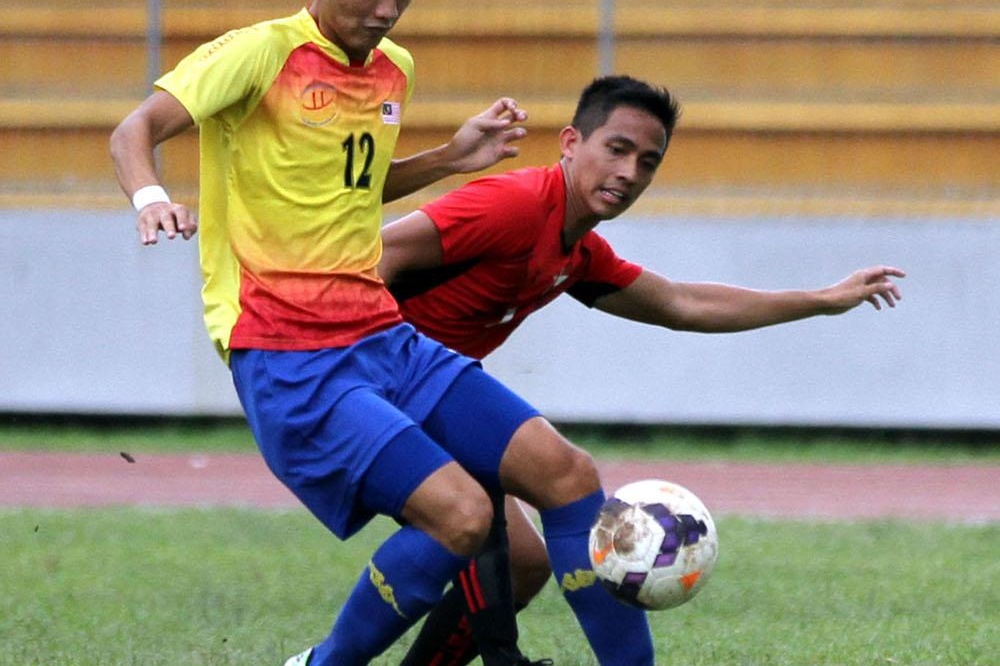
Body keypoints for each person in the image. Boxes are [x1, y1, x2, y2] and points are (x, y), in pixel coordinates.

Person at [109, 2, 660, 665]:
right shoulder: (259, 52)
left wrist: (448, 158)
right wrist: (151, 198)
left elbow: (348, 187)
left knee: (567, 475)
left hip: (381, 333)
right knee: (461, 515)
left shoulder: (391, 68)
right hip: (287, 348)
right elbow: (133, 130)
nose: (385, 11)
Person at [379, 74, 906, 665]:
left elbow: (682, 303)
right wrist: (343, 366)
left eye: (648, 161)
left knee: (525, 561)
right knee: (551, 484)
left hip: (421, 396)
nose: (630, 173)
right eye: (617, 149)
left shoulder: (575, 249)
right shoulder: (514, 203)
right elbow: (378, 256)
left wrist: (820, 299)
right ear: (571, 142)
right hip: (368, 386)